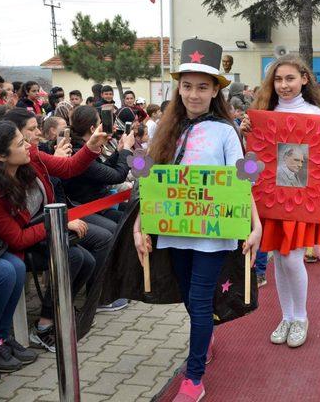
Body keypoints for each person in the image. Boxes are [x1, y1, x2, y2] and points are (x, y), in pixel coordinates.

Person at [134, 38, 262, 402]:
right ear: (179, 88)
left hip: (212, 234)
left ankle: (194, 377)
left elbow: (240, 183)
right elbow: (149, 185)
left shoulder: (225, 131)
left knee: (201, 300)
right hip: (174, 231)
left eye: (202, 87)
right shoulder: (163, 130)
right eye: (187, 86)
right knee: (191, 301)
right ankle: (204, 339)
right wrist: (138, 226)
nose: (193, 94)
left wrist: (256, 225)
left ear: (215, 91)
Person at [242, 54, 320, 351]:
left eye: (290, 78)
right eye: (278, 79)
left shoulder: (317, 113)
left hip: (303, 200)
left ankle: (301, 317)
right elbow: (254, 159)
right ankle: (286, 316)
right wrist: (245, 136)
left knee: (292, 258)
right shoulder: (264, 112)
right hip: (272, 198)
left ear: (304, 79)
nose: (283, 85)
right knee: (279, 257)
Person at [0, 118, 110, 352]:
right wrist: (58, 222)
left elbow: (69, 168)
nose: (30, 142)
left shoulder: (32, 159)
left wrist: (91, 148)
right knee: (74, 256)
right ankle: (43, 326)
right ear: (1, 155)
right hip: (13, 244)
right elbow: (16, 239)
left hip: (42, 227)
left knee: (88, 257)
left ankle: (62, 312)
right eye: (22, 141)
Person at [0, 182, 37, 372]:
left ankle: (2, 335)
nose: (29, 149)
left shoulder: (20, 174)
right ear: (0, 156)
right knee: (3, 273)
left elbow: (68, 169)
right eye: (20, 148)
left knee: (17, 267)